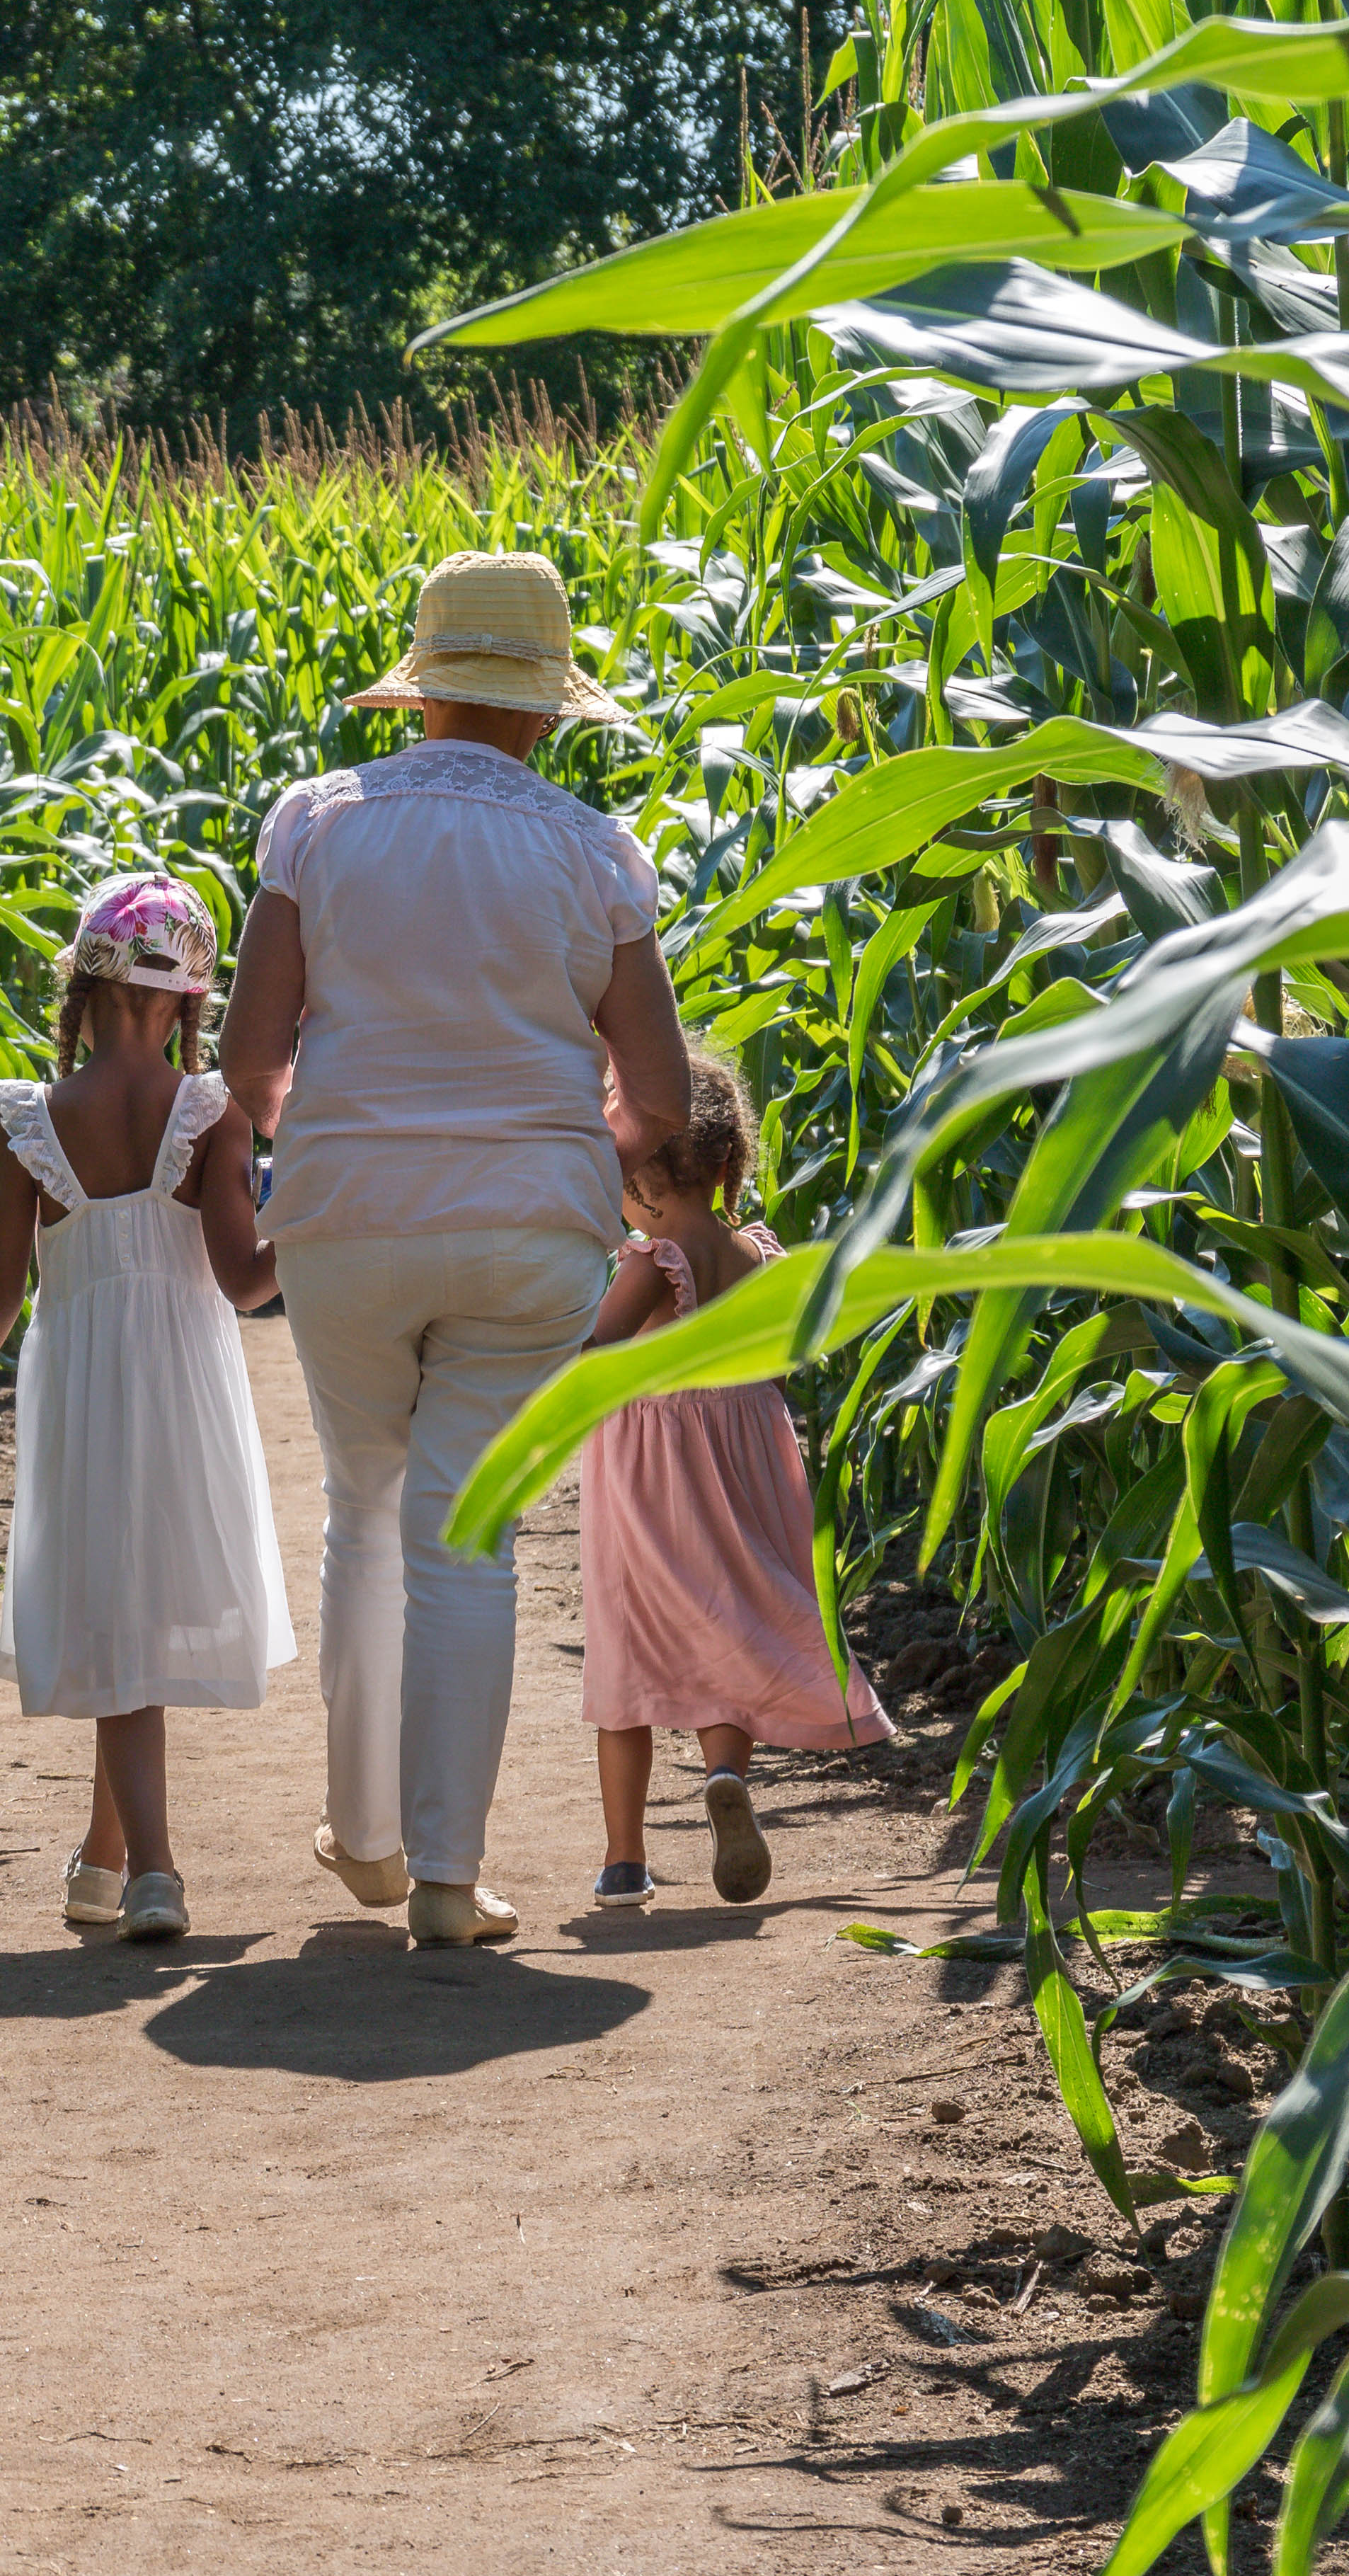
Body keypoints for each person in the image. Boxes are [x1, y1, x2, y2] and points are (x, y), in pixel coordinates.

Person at [218, 551, 690, 1949]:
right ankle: (445, 1873)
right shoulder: (593, 851)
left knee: (364, 1509)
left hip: (347, 1218)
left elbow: (249, 1057)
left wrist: (339, 1135)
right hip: (530, 1226)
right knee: (465, 1537)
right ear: (544, 707)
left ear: (420, 689)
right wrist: (569, 1159)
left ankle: (363, 1837)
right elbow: (661, 1097)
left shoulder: (319, 822)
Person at [0, 874, 295, 1945]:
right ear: (189, 1002)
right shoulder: (212, 1114)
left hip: (84, 1388)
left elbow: (1, 1285)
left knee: (116, 1618)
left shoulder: (33, 1121)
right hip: (186, 1388)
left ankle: (154, 1874)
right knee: (134, 1622)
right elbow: (247, 1283)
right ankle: (105, 1860)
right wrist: (318, 1216)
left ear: (82, 995)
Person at [578, 1038, 883, 1906]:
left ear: (643, 1175)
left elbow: (596, 1355)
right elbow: (780, 1366)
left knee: (629, 1652)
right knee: (725, 1628)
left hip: (650, 1472)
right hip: (747, 1448)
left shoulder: (653, 1262)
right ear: (726, 1164)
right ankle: (726, 1778)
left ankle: (625, 1859)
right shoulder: (757, 1256)